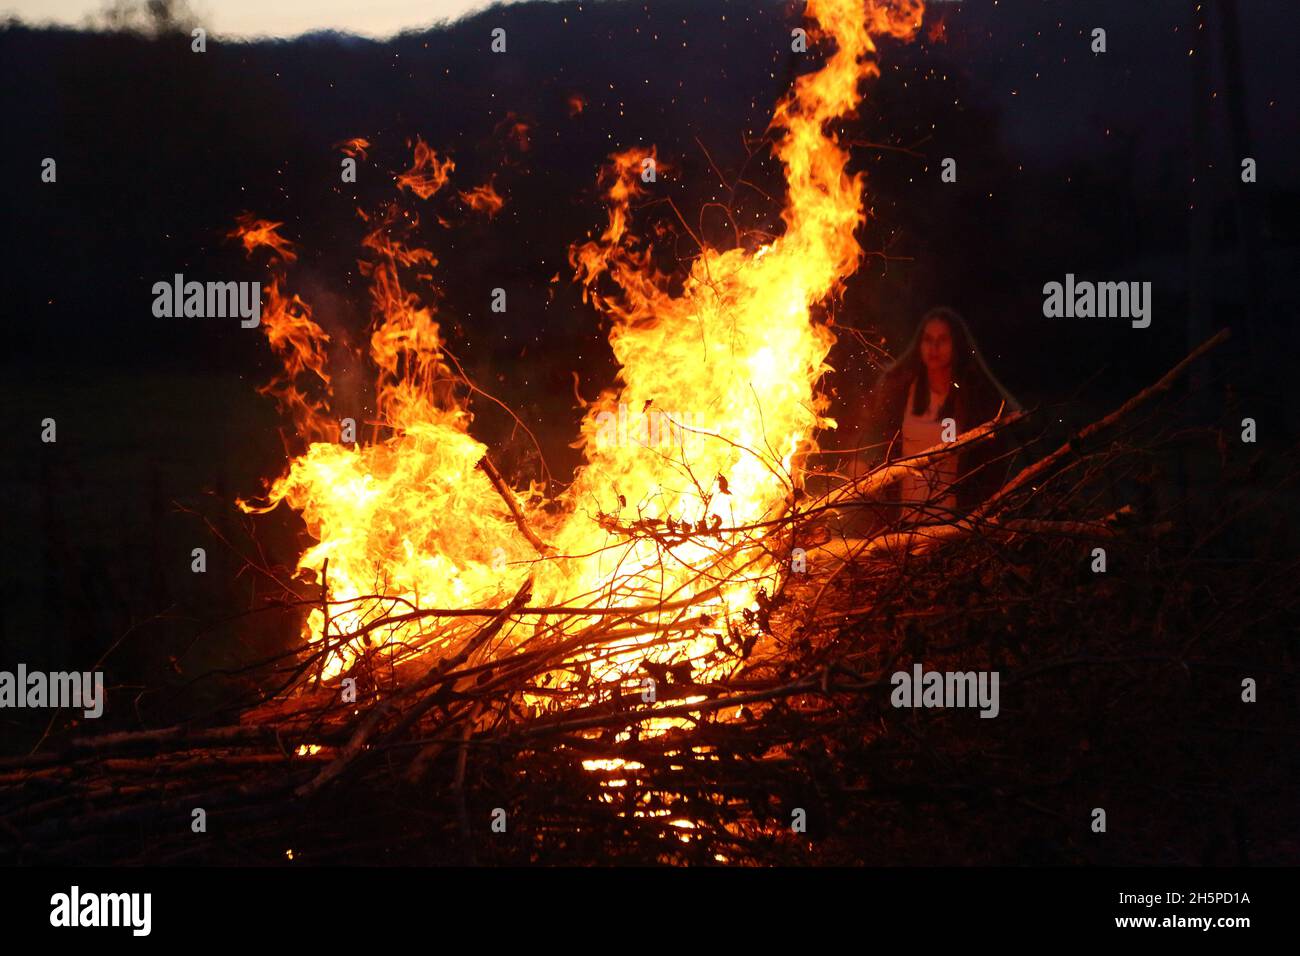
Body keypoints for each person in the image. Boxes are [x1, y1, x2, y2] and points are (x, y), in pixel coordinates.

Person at [843, 307, 1021, 529]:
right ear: (919, 345)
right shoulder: (900, 390)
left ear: (956, 345)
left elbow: (997, 456)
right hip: (903, 522)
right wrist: (862, 462)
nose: (934, 347)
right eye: (928, 340)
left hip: (952, 523)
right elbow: (874, 430)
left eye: (943, 340)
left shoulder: (975, 396)